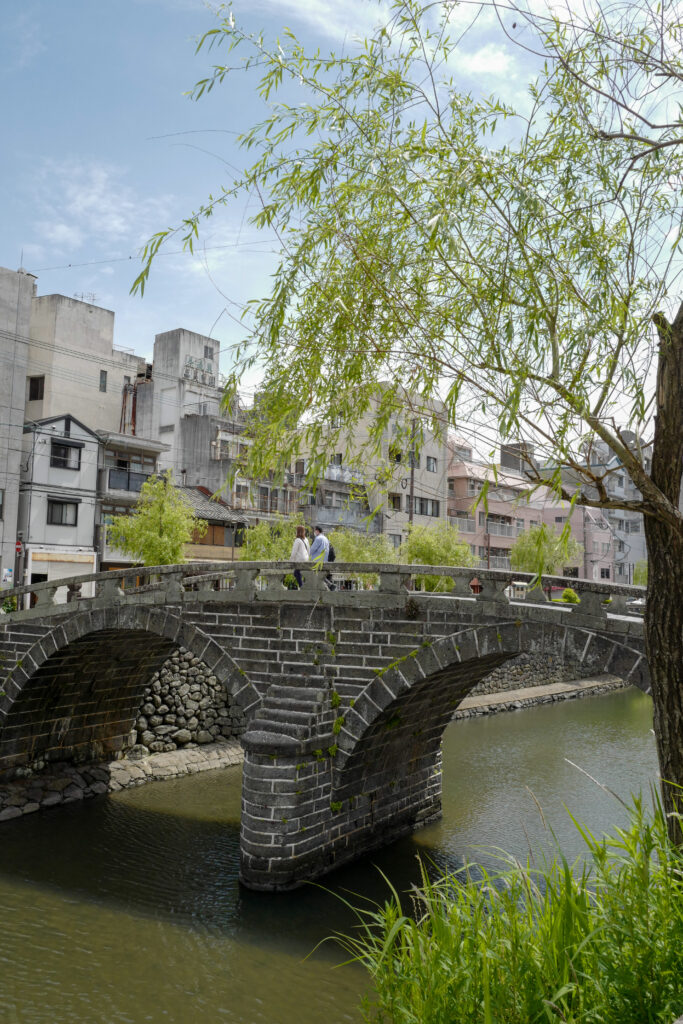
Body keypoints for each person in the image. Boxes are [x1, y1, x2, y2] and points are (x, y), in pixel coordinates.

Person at [290, 524, 309, 588]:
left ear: (297, 531)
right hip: (306, 558)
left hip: (300, 559)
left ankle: (302, 586)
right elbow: (308, 550)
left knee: (296, 573)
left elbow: (294, 552)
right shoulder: (306, 539)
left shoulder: (297, 540)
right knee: (300, 573)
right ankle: (303, 585)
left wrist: (291, 561)